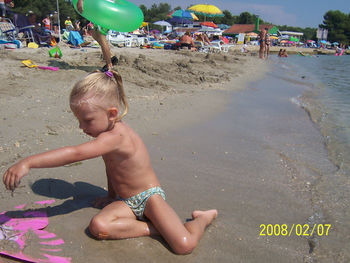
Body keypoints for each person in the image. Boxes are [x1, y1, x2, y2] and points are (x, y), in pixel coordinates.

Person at [2, 70, 218, 255]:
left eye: (87, 120)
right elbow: (113, 167)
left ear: (112, 114)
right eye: (79, 120)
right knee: (99, 226)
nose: (81, 127)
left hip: (149, 198)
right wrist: (111, 195)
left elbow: (75, 153)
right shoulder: (106, 134)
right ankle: (155, 228)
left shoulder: (116, 136)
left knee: (184, 245)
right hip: (126, 201)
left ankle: (202, 219)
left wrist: (28, 162)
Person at [76, 0, 116, 71]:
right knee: (94, 33)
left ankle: (109, 65)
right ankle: (111, 56)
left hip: (104, 8)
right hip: (102, 8)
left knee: (101, 35)